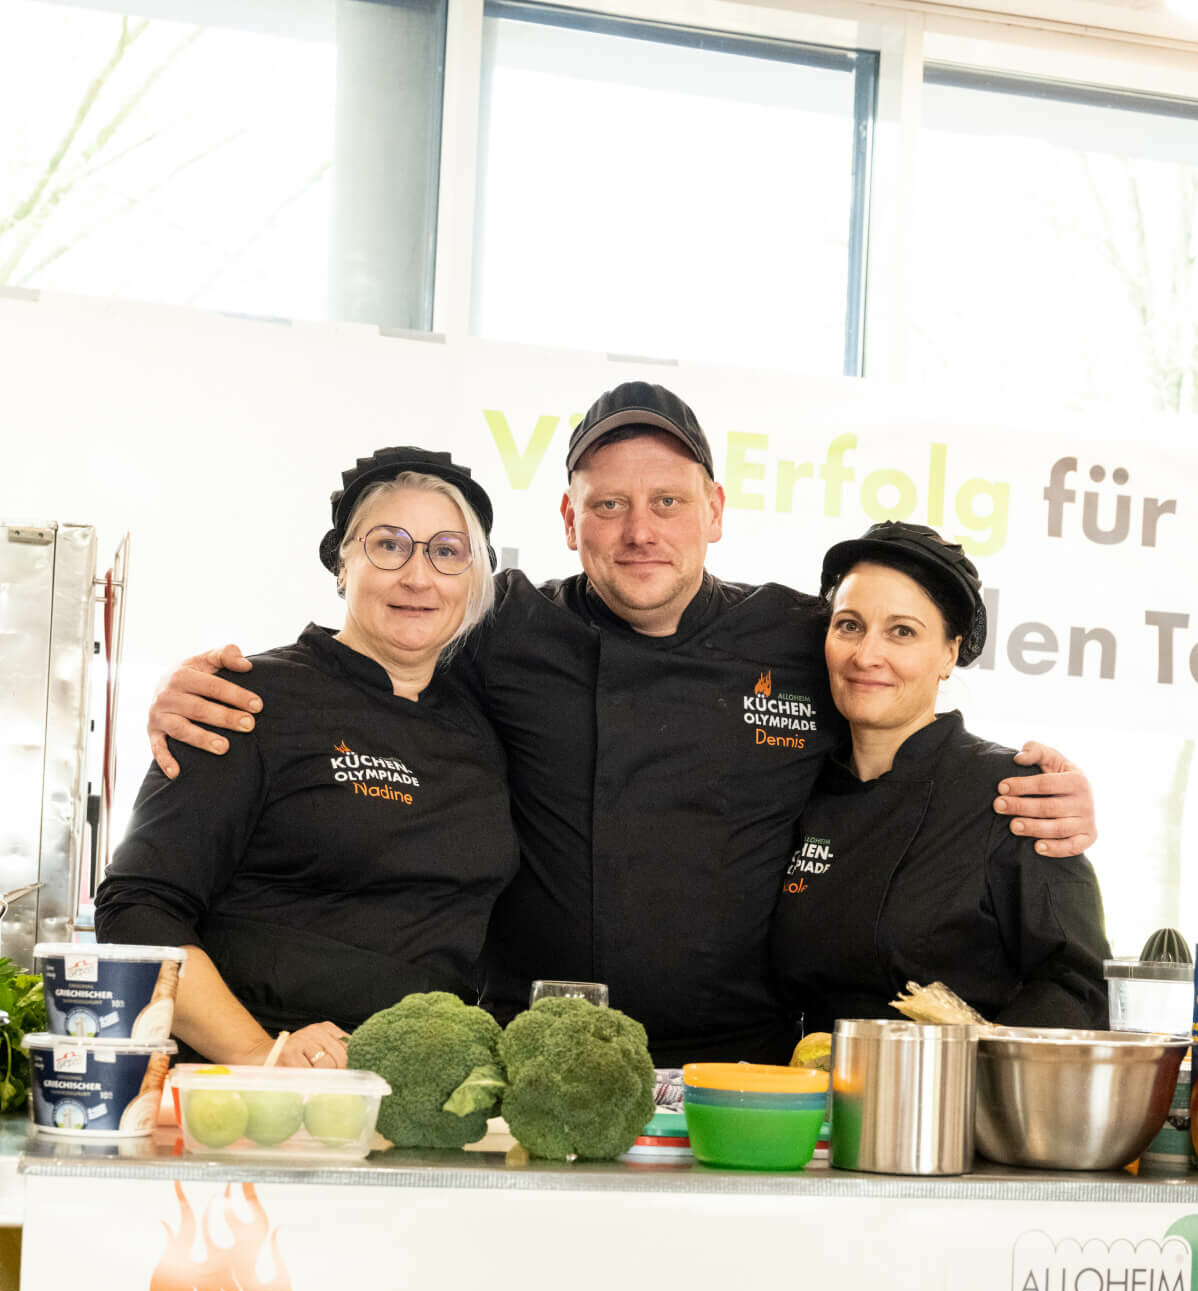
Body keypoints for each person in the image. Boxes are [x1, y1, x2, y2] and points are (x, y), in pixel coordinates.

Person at [143, 384, 1098, 1065]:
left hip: (745, 1065)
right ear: (568, 519)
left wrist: (1036, 789)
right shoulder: (506, 627)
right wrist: (198, 684)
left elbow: (894, 680)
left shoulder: (799, 636)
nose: (640, 530)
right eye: (609, 506)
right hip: (530, 1055)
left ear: (714, 511)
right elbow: (382, 654)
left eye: (667, 502)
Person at [95, 448, 519, 1067]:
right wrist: (262, 1056)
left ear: (476, 578)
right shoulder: (245, 696)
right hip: (251, 1096)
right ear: (341, 563)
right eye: (389, 545)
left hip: (421, 1088)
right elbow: (136, 913)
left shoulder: (488, 726)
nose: (418, 576)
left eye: (447, 551)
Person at [772, 522, 1109, 1031]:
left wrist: (984, 1075)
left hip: (957, 1101)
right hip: (812, 1098)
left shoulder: (1014, 794)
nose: (866, 655)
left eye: (902, 631)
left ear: (949, 653)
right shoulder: (796, 786)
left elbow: (1078, 983)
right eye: (849, 625)